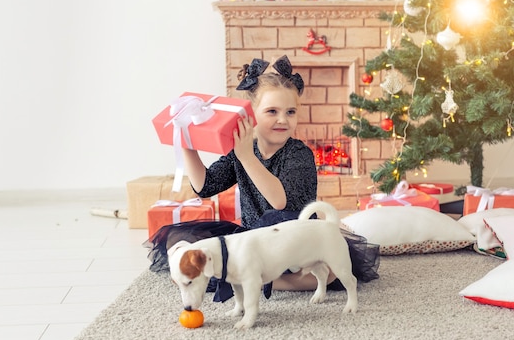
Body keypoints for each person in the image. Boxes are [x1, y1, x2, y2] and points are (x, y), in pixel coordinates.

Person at [147, 55, 379, 295]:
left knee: (329, 272)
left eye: (290, 112)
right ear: (251, 117)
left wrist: (247, 157)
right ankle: (253, 276)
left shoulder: (299, 154)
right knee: (182, 239)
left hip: (292, 240)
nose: (283, 120)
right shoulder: (242, 151)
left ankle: (261, 280)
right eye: (272, 111)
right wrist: (187, 142)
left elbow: (279, 202)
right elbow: (205, 186)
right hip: (252, 240)